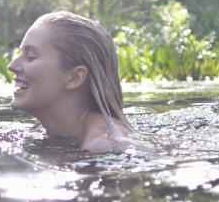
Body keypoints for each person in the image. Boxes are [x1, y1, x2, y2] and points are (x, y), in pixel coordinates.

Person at [8, 10, 139, 153]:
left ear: (74, 77)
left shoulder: (105, 144)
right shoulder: (48, 131)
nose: (12, 66)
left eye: (31, 56)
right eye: (20, 53)